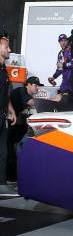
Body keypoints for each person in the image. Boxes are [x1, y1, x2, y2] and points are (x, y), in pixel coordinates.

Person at [0, 32, 17, 195]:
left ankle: (1, 183)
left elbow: (6, 94)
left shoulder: (4, 69)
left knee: (3, 151)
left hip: (2, 115)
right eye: (6, 47)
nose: (10, 50)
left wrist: (11, 110)